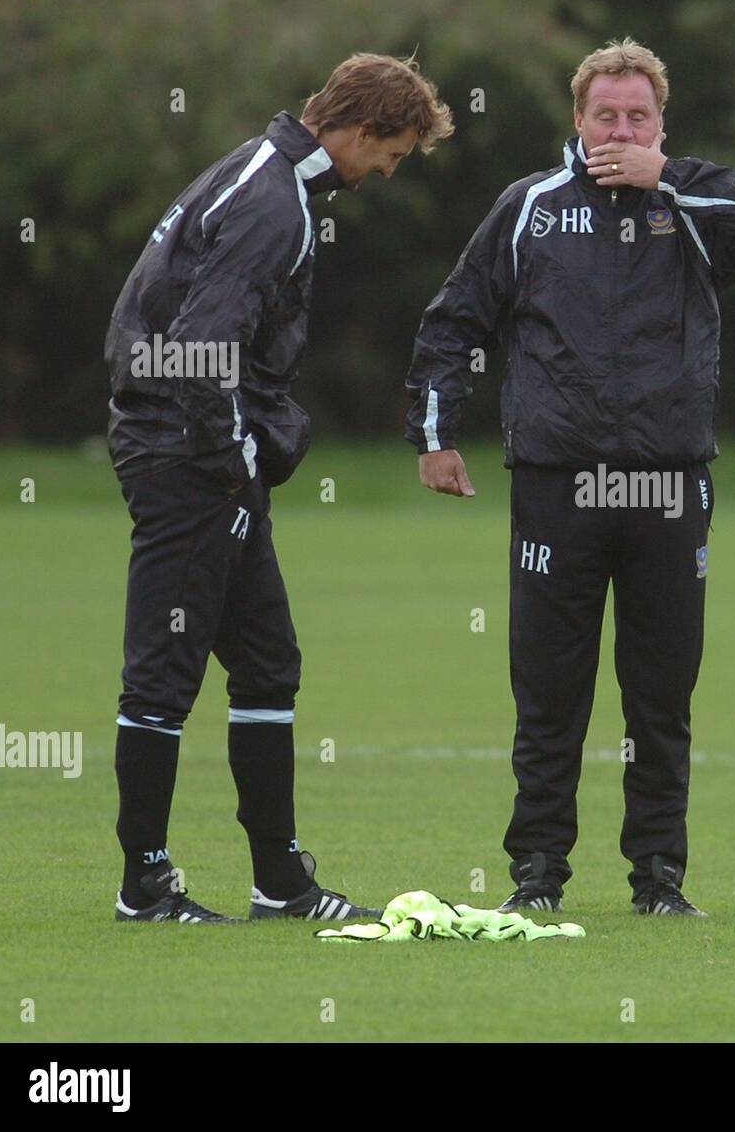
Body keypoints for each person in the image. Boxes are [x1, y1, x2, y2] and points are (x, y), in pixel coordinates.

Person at [405, 38, 735, 916]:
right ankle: (537, 879)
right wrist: (435, 434)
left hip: (669, 484)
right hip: (558, 484)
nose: (621, 129)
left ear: (661, 124)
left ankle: (659, 881)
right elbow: (453, 320)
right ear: (577, 120)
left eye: (639, 117)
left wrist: (669, 177)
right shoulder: (531, 207)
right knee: (548, 694)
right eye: (606, 115)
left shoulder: (692, 201)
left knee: (661, 697)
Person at [105, 53, 454, 923]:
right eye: (395, 153)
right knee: (162, 674)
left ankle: (280, 883)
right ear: (362, 129)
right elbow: (198, 347)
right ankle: (143, 885)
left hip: (202, 457)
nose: (387, 173)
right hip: (186, 458)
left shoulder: (258, 172)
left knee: (268, 664)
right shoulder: (273, 203)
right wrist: (232, 460)